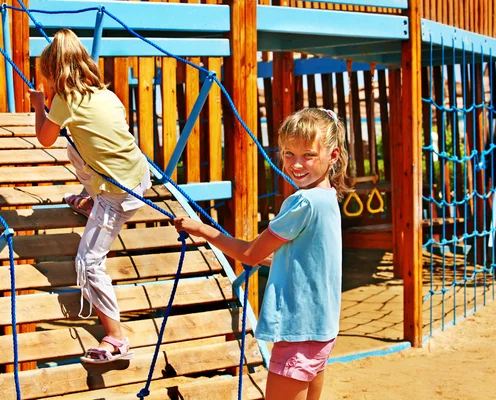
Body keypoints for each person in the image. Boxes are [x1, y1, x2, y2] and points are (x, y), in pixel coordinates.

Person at [174, 108, 350, 400]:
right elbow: (303, 260)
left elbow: (250, 254)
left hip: (297, 330)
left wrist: (202, 229)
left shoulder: (302, 202)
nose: (296, 164)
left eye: (307, 155)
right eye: (288, 154)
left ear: (332, 156)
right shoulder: (328, 197)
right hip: (321, 329)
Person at [28, 29, 151, 363]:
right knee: (75, 144)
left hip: (118, 196)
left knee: (88, 261)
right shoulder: (105, 94)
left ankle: (116, 337)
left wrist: (41, 103)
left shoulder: (64, 101)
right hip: (138, 177)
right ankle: (89, 199)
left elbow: (44, 139)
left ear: (51, 73)